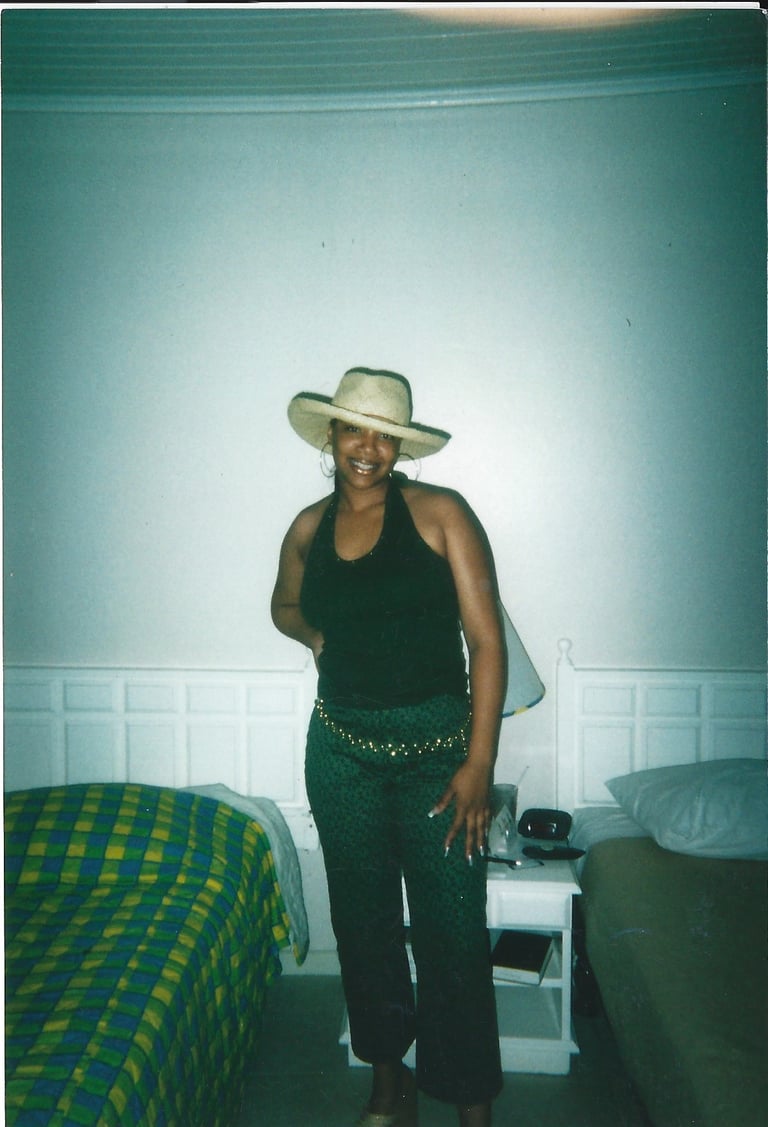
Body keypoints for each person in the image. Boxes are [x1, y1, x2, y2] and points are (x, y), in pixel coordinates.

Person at [271, 367, 505, 1127]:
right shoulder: (308, 526)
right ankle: (386, 1083)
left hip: (440, 757)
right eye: (353, 430)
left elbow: (487, 642)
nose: (367, 448)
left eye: (383, 436)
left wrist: (479, 763)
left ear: (400, 447)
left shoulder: (441, 513)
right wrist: (314, 634)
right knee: (364, 929)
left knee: (453, 936)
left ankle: (470, 1106)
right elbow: (282, 603)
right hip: (341, 753)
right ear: (332, 436)